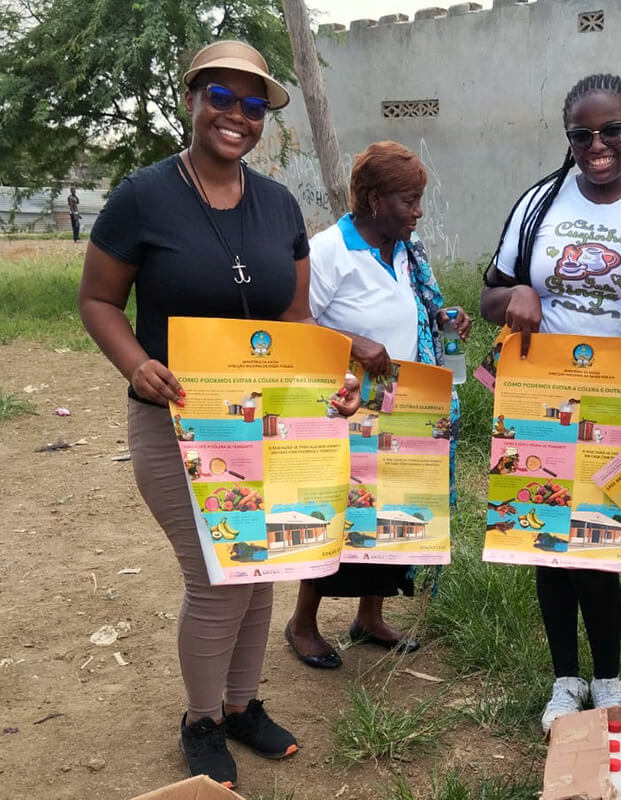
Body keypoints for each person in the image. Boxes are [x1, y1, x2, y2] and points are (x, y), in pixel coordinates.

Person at [77, 41, 360, 789]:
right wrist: (136, 363)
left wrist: (336, 381)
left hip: (266, 424)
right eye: (222, 98)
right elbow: (98, 300)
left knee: (260, 569)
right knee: (214, 574)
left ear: (265, 117)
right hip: (174, 421)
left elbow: (297, 317)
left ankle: (240, 705)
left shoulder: (279, 205)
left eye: (253, 103)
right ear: (194, 99)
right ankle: (201, 720)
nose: (237, 115)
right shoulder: (144, 195)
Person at [479, 73, 621, 732]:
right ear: (569, 138)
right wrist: (516, 298)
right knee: (545, 540)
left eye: (610, 130)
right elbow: (489, 298)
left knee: (599, 543)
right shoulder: (541, 203)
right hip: (540, 396)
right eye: (581, 134)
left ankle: (610, 678)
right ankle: (567, 679)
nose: (597, 145)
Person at [282, 141, 471, 669]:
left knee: (393, 514)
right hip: (348, 411)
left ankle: (370, 616)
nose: (418, 211)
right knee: (339, 517)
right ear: (371, 199)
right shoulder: (328, 252)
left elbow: (410, 310)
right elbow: (295, 324)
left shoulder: (405, 250)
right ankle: (302, 624)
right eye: (409, 200)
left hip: (405, 406)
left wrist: (444, 318)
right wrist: (351, 343)